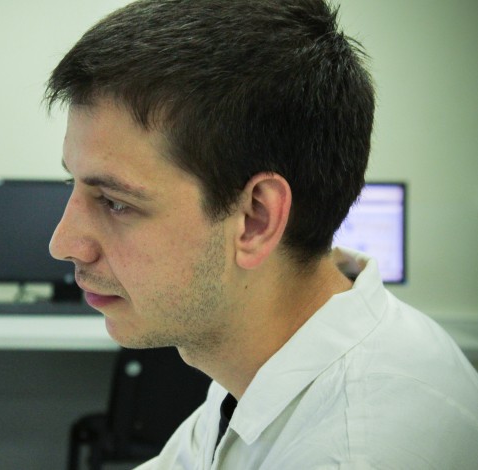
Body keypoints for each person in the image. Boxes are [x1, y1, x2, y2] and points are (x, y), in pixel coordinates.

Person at [44, 0, 478, 468]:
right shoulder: (261, 359)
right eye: (73, 183)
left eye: (115, 202)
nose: (63, 244)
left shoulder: (351, 451)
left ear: (256, 220)